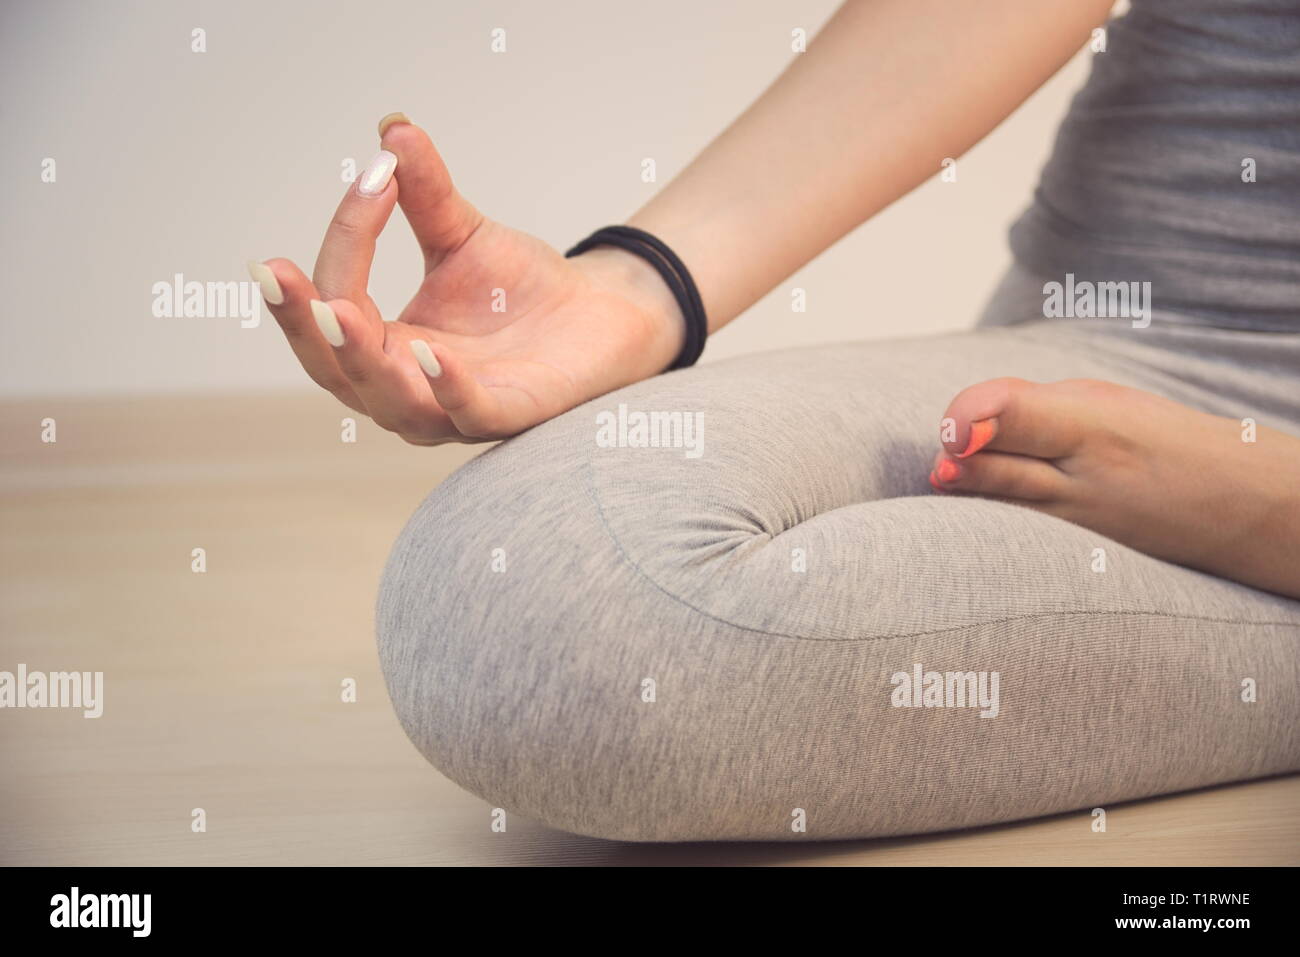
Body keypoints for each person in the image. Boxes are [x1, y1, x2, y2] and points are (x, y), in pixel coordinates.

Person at [250, 0, 1300, 842]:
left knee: (606, 643)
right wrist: (641, 286)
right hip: (1089, 336)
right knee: (533, 566)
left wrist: (1258, 497)